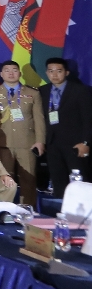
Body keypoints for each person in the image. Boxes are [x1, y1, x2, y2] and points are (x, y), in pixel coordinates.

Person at [0, 61, 44, 204]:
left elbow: (39, 119)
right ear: (1, 74)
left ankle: (27, 211)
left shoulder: (33, 93)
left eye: (14, 70)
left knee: (28, 179)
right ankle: (4, 209)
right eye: (7, 70)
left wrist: (40, 141)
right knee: (5, 180)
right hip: (2, 144)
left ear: (19, 73)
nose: (11, 73)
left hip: (27, 144)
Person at [39, 58, 92, 198]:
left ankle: (83, 209)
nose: (54, 75)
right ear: (46, 73)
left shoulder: (80, 90)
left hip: (76, 145)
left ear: (67, 72)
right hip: (52, 145)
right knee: (58, 181)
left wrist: (86, 143)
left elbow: (88, 119)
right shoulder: (42, 91)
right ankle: (60, 208)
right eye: (51, 71)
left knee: (80, 181)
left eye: (59, 71)